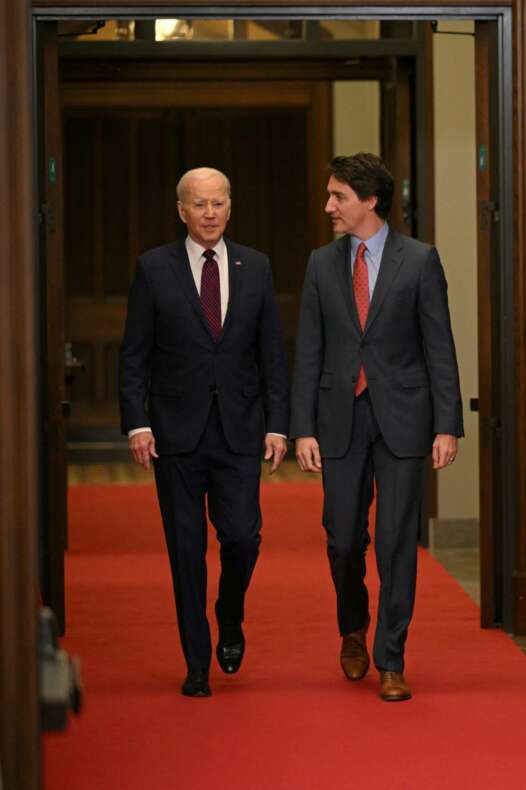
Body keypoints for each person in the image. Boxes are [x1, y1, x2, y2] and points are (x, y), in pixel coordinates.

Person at [291, 153, 463, 702]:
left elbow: (440, 345)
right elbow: (308, 351)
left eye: (338, 196)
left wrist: (447, 424)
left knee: (394, 542)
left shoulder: (419, 261)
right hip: (338, 418)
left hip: (405, 419)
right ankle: (352, 626)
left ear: (369, 201)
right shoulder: (321, 263)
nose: (328, 207)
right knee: (343, 538)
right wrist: (302, 428)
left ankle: (391, 657)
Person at [118, 167, 289, 698]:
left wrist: (279, 426)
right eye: (200, 204)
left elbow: (272, 357)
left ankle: (229, 612)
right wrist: (137, 423)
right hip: (175, 434)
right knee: (186, 551)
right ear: (181, 211)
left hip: (240, 432)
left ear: (230, 208)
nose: (210, 213)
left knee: (242, 536)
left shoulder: (255, 266)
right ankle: (196, 661)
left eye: (218, 203)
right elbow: (134, 356)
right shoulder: (153, 269)